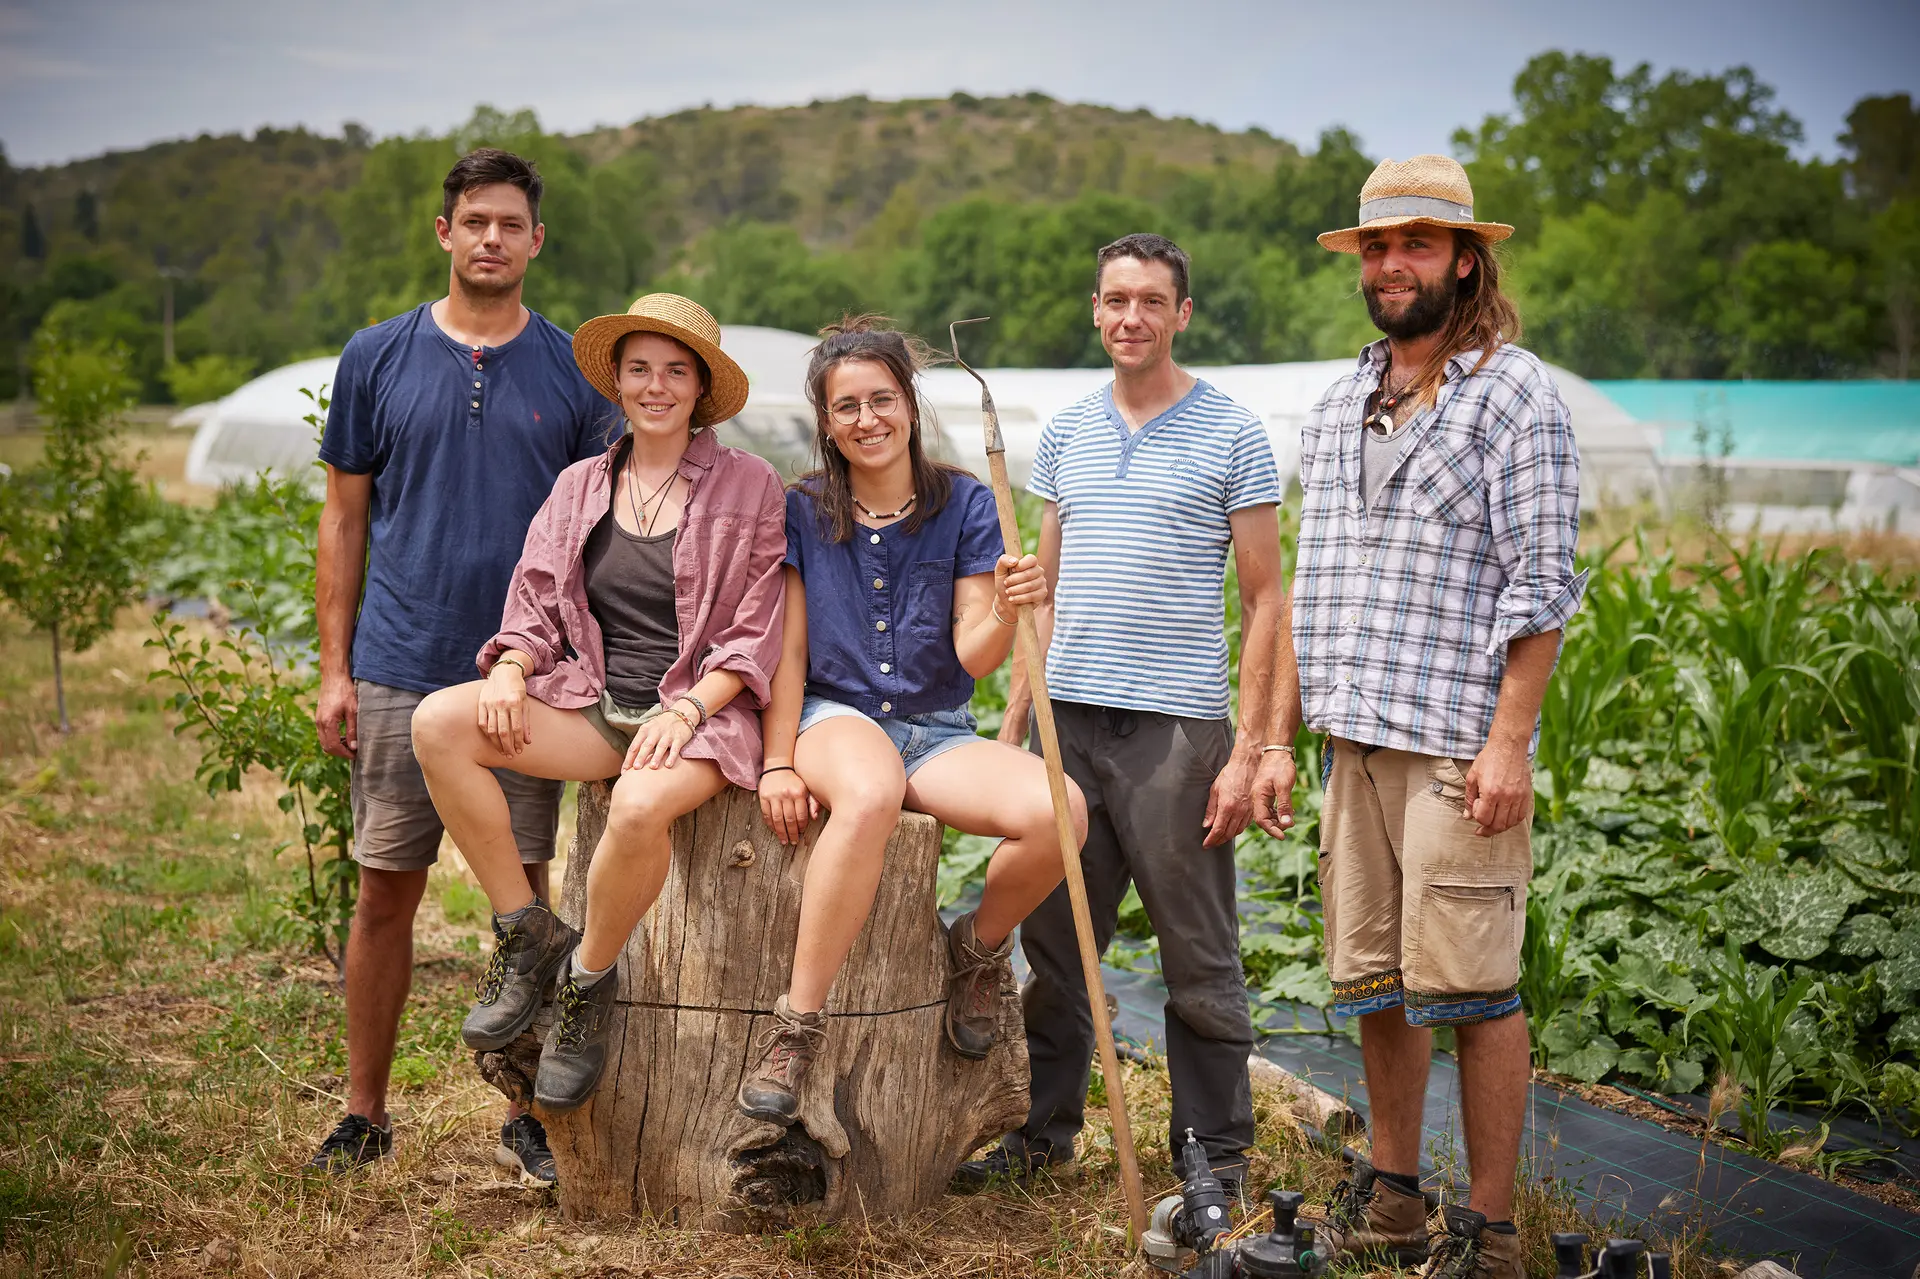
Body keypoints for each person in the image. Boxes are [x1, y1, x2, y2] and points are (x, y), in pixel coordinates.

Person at [1252, 155, 1584, 1279]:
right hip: (1356, 737)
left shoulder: (1512, 392)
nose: (1395, 264)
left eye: (1419, 245)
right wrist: (1280, 739)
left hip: (1454, 745)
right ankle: (1395, 1194)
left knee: (1477, 986)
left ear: (1464, 259)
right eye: (1379, 248)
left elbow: (1542, 585)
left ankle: (1489, 1234)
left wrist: (1509, 742)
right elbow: (1312, 580)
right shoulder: (1343, 396)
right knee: (1377, 983)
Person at [956, 234, 1286, 1195]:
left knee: (1196, 951)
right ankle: (1042, 1134)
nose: (1130, 317)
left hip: (1176, 734)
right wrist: (1016, 729)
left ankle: (1213, 1154)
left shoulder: (1232, 431)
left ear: (1182, 314)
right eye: (1115, 300)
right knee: (1058, 946)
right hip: (1072, 725)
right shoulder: (1066, 433)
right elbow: (1042, 595)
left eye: (1151, 301)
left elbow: (1267, 598)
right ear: (1095, 312)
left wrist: (1250, 749)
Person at [309, 148, 611, 1185]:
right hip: (399, 662)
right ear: (444, 234)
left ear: (537, 241)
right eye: (473, 221)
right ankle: (364, 1112)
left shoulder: (576, 370)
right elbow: (344, 520)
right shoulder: (377, 357)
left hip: (518, 684)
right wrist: (335, 669)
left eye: (509, 224)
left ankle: (526, 1115)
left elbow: (600, 534)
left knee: (520, 900)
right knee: (384, 894)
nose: (491, 238)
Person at [411, 293, 785, 1114]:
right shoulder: (582, 482)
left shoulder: (749, 485)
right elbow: (536, 601)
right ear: (617, 379)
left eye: (676, 372)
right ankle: (526, 932)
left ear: (701, 389)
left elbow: (755, 629)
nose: (656, 386)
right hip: (595, 703)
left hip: (701, 716)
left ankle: (586, 984)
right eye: (640, 368)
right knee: (439, 721)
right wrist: (510, 665)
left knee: (641, 807)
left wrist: (686, 712)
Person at [747, 318, 1084, 1125]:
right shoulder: (801, 508)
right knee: (868, 793)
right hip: (836, 716)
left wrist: (1006, 608)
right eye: (848, 406)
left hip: (936, 726)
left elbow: (973, 657)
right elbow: (789, 653)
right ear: (826, 422)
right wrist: (777, 760)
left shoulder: (964, 501)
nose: (868, 419)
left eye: (882, 400)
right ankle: (796, 1026)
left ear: (909, 404)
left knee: (1061, 810)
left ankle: (974, 950)